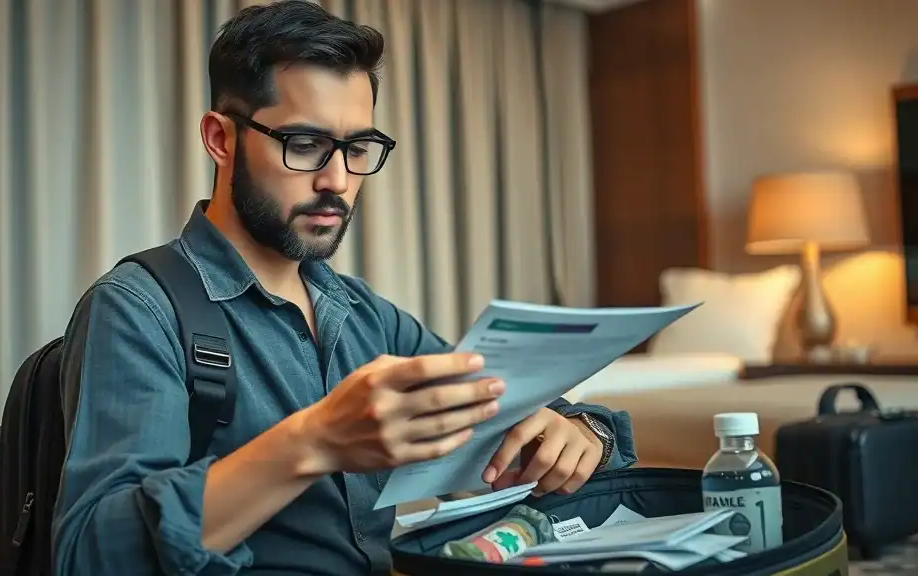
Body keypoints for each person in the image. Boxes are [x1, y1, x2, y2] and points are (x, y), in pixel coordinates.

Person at [51, 1, 636, 574]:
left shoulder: (362, 314)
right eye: (304, 145)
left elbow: (509, 405)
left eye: (357, 149)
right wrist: (313, 442)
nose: (338, 180)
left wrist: (583, 432)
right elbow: (91, 555)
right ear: (221, 139)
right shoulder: (137, 308)